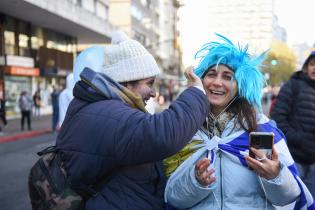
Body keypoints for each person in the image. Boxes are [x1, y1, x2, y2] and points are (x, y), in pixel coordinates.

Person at [54, 31, 209, 210]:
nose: (153, 93)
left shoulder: (102, 107)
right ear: (127, 81)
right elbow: (162, 135)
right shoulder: (108, 113)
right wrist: (197, 92)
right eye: (149, 83)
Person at [165, 34, 314, 210]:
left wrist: (275, 175)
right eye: (211, 74)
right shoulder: (183, 130)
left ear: (240, 86)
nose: (217, 82)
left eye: (228, 77)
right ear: (201, 81)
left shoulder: (261, 129)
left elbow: (288, 198)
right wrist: (195, 181)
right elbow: (172, 199)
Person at [271, 50, 315, 198]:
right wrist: (299, 139)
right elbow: (277, 118)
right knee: (293, 199)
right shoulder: (293, 85)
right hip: (294, 156)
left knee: (311, 201)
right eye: (312, 64)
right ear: (306, 67)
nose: (314, 68)